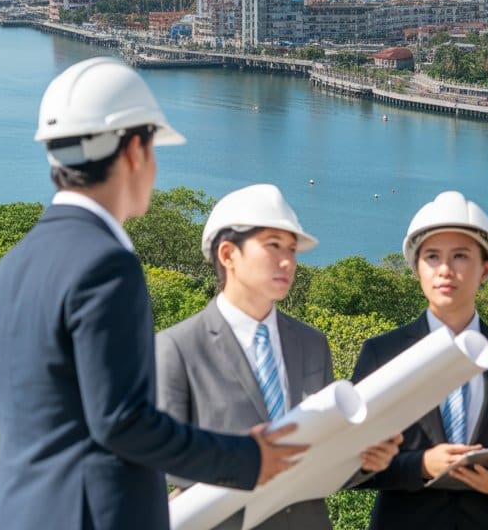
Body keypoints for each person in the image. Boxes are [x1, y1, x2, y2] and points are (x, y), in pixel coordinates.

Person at [0, 58, 305, 530]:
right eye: (154, 148)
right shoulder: (105, 263)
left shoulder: (13, 265)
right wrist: (247, 456)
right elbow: (120, 420)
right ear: (134, 150)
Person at [156, 183, 401, 529]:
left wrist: (363, 460)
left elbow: (323, 458)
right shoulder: (177, 348)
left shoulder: (312, 343)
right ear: (228, 255)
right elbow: (165, 461)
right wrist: (245, 459)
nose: (288, 261)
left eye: (292, 249)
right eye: (273, 246)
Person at [351, 191, 488, 529]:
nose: (445, 269)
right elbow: (351, 464)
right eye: (431, 257)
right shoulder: (383, 353)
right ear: (416, 269)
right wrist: (421, 465)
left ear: (485, 268)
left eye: (460, 256)